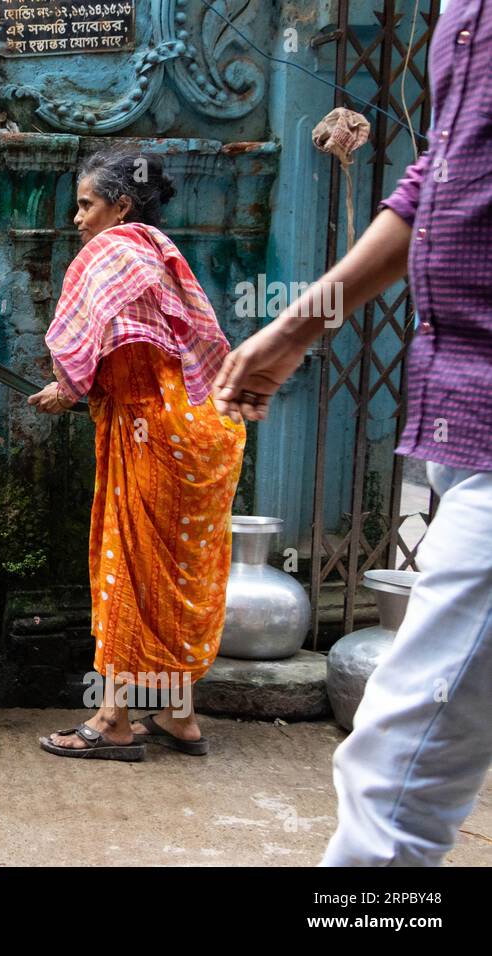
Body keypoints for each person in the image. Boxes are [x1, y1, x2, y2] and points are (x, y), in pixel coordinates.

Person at [212, 1, 492, 865]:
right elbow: (437, 178)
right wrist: (298, 327)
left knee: (398, 777)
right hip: (463, 420)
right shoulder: (459, 13)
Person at [30, 149, 246, 761]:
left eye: (86, 204)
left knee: (125, 567)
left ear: (121, 205)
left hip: (153, 430)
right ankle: (180, 719)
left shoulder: (115, 248)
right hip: (202, 431)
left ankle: (114, 720)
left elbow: (83, 345)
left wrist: (67, 387)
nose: (77, 219)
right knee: (174, 576)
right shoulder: (156, 249)